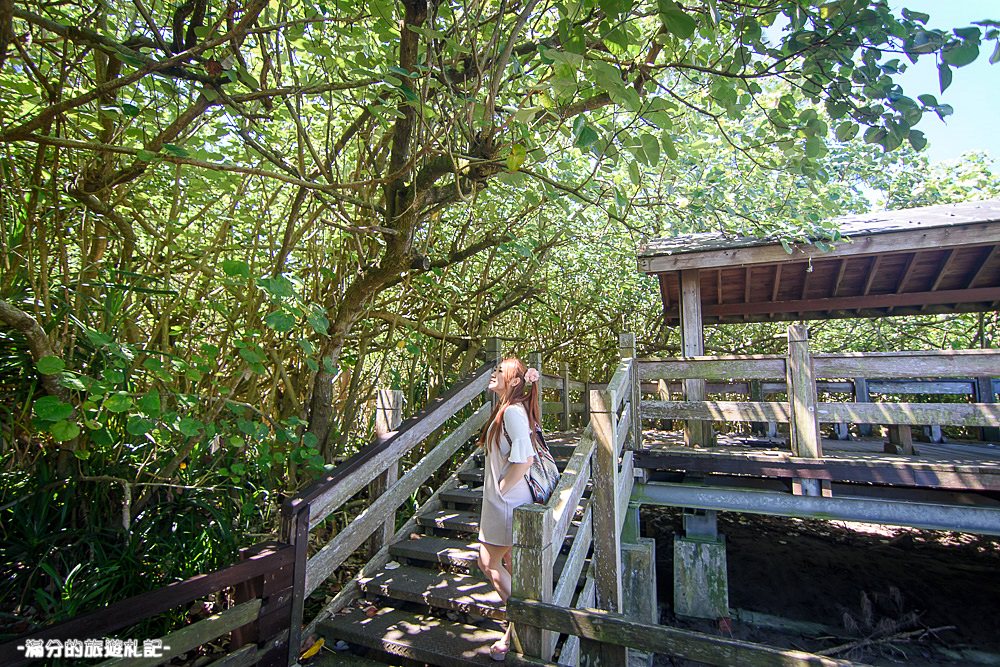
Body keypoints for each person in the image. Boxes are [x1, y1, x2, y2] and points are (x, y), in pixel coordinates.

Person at [477, 357, 542, 661]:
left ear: (515, 381)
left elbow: (525, 457)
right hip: (508, 503)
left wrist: (502, 490)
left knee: (488, 562)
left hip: (506, 504)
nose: (494, 374)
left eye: (499, 372)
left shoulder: (513, 412)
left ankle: (523, 620)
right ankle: (516, 628)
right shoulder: (507, 410)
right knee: (514, 568)